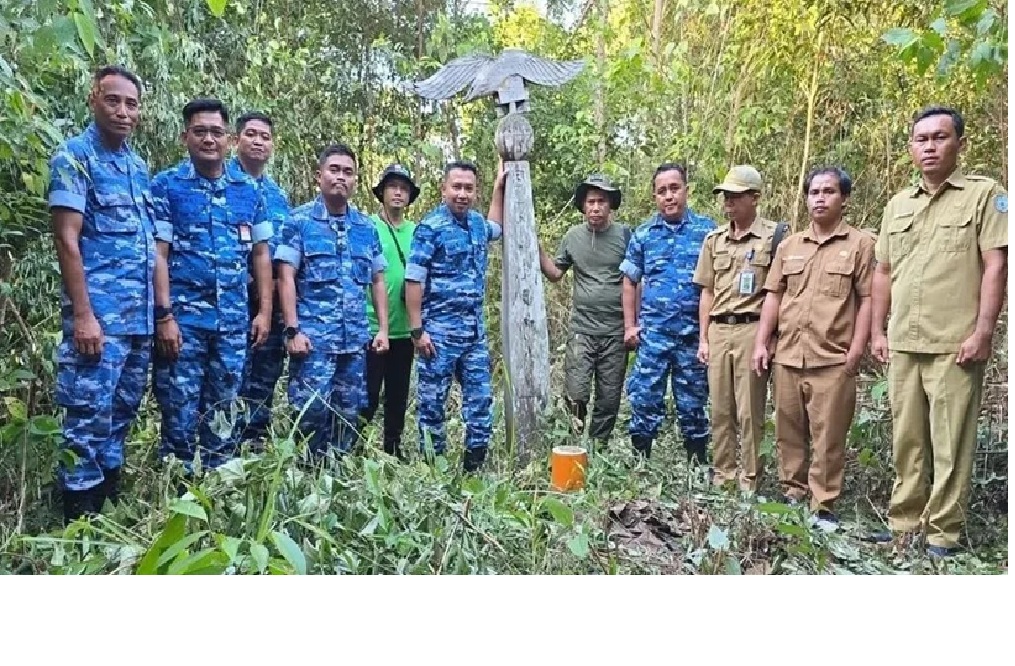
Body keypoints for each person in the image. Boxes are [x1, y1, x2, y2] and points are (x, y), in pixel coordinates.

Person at [869, 106, 1007, 557]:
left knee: (950, 443)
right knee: (906, 438)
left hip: (955, 343)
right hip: (904, 341)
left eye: (940, 138)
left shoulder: (985, 196)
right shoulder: (898, 205)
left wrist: (983, 331)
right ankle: (904, 523)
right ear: (911, 146)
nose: (929, 147)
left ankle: (942, 532)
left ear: (959, 144)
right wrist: (877, 331)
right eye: (921, 139)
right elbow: (883, 272)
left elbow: (995, 265)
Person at [47, 65, 156, 522]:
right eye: (113, 100)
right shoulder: (73, 159)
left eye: (131, 103)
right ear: (94, 99)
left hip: (138, 320)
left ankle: (107, 506)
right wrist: (84, 316)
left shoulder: (137, 167)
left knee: (121, 412)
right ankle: (76, 519)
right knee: (87, 415)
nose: (122, 111)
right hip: (98, 319)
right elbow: (67, 240)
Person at [150, 98, 274, 472]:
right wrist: (164, 315)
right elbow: (158, 253)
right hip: (184, 324)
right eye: (200, 131)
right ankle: (178, 489)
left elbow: (261, 255)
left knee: (226, 406)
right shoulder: (167, 187)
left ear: (229, 139)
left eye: (216, 132)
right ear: (185, 136)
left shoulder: (249, 191)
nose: (209, 139)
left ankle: (220, 484)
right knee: (179, 406)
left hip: (233, 324)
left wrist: (265, 312)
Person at [751, 166, 874, 531]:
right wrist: (762, 341)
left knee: (828, 435)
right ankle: (793, 493)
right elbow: (774, 296)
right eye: (813, 192)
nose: (819, 199)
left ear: (844, 199)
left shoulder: (860, 244)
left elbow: (868, 299)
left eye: (828, 192)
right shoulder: (790, 246)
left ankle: (824, 504)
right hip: (789, 355)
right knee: (788, 430)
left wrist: (857, 348)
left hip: (833, 358)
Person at [274, 144, 389, 456]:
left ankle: (335, 481)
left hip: (354, 343)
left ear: (356, 180)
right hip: (313, 343)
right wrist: (292, 330)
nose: (341, 177)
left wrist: (382, 329)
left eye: (348, 172)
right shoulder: (298, 222)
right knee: (310, 413)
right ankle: (306, 479)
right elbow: (285, 277)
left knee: (348, 414)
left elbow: (378, 279)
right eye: (334, 169)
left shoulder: (366, 228)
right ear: (319, 176)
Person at [405, 160, 506, 472]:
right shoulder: (430, 228)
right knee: (432, 406)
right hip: (438, 335)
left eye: (469, 188)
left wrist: (499, 188)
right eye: (457, 187)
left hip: (473, 336)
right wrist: (417, 331)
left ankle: (473, 469)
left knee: (480, 403)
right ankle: (434, 473)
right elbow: (413, 280)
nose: (462, 194)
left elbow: (496, 228)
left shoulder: (476, 224)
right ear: (444, 189)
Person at [694, 165, 784, 491]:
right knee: (720, 410)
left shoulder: (775, 237)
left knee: (749, 412)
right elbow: (706, 291)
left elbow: (780, 294)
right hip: (719, 329)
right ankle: (724, 478)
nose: (728, 202)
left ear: (755, 198)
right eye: (725, 196)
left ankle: (750, 481)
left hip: (752, 329)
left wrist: (771, 338)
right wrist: (703, 338)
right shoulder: (714, 240)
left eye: (735, 196)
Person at [620, 163, 715, 463]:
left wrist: (708, 335)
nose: (669, 196)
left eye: (674, 189)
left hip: (692, 337)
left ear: (686, 190)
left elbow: (715, 285)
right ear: (654, 196)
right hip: (654, 335)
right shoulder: (644, 234)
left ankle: (696, 466)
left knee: (693, 404)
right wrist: (630, 326)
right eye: (662, 191)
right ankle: (641, 463)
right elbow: (630, 280)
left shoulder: (707, 232)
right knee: (645, 398)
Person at [538, 174, 631, 446]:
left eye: (602, 201)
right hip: (582, 330)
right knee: (576, 392)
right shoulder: (573, 238)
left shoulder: (625, 236)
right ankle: (571, 446)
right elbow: (556, 273)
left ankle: (598, 448)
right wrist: (537, 247)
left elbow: (638, 279)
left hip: (616, 332)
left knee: (609, 396)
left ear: (610, 205)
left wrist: (634, 324)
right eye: (591, 202)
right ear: (583, 206)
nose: (595, 207)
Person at [230, 112, 291, 443]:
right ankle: (221, 449)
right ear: (236, 140)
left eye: (264, 136)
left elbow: (284, 250)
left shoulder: (278, 196)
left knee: (265, 377)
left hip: (273, 307)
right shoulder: (222, 183)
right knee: (230, 378)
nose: (258, 141)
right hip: (233, 304)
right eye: (251, 134)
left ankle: (254, 445)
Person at [359, 164, 420, 459]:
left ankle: (392, 452)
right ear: (382, 192)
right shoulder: (367, 225)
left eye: (404, 188)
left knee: (398, 396)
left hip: (405, 330)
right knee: (367, 395)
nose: (398, 192)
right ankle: (354, 449)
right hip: (372, 327)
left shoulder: (416, 231)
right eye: (393, 186)